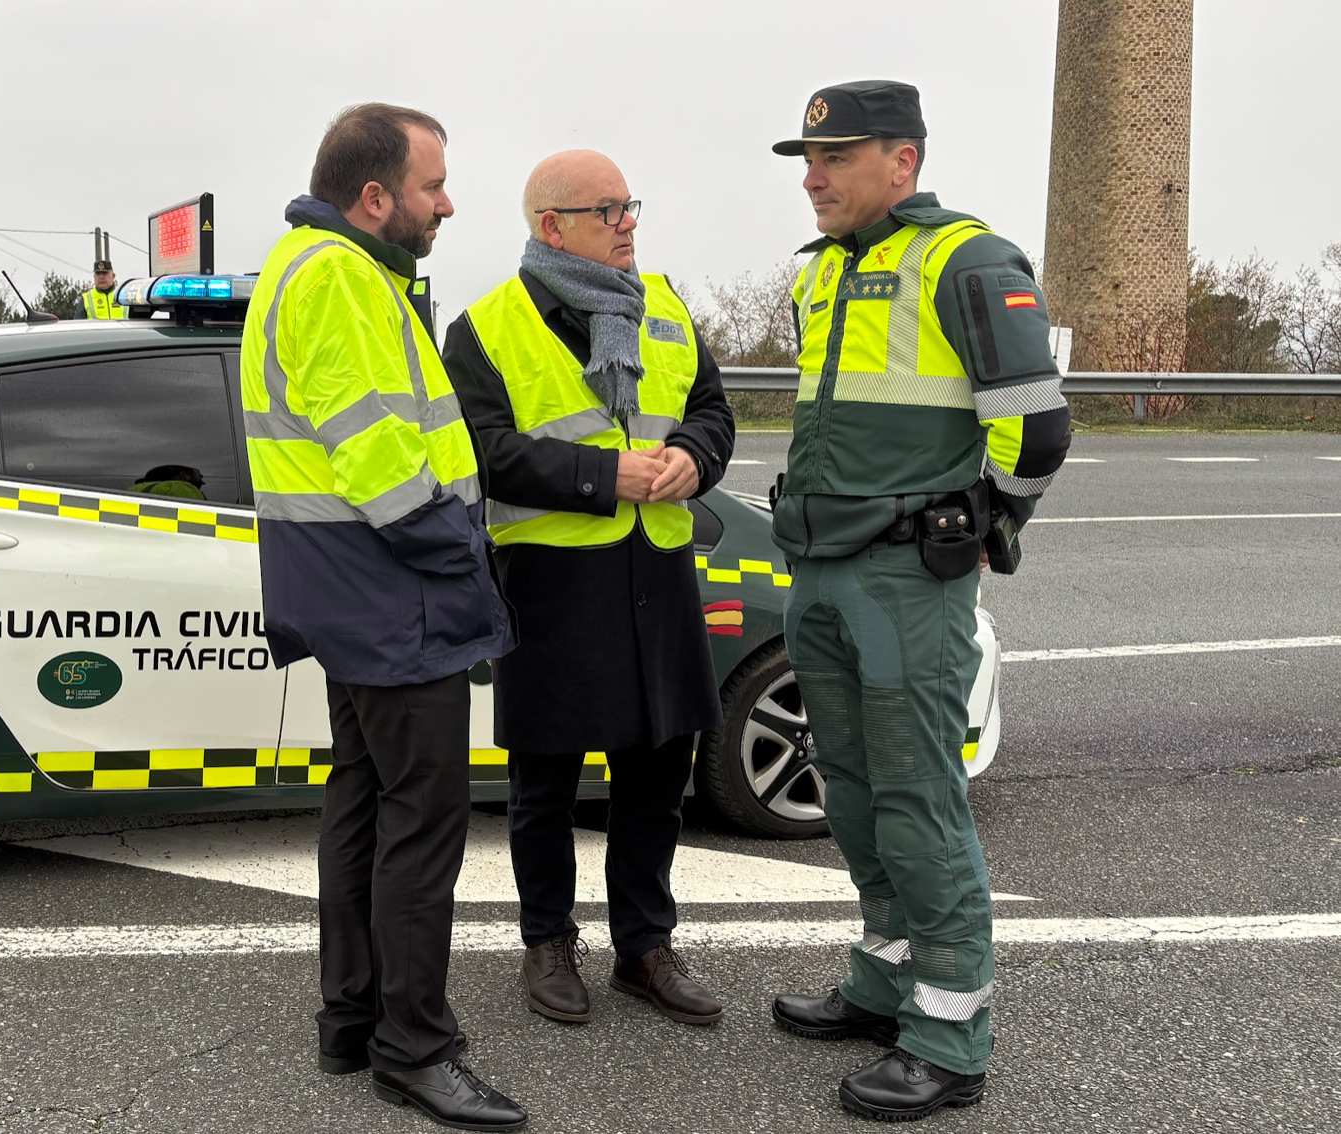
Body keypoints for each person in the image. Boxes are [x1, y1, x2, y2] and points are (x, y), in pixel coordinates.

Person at [763, 80, 1070, 1122]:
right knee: (848, 792)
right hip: (820, 566)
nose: (813, 177)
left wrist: (982, 527)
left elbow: (1033, 431)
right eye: (808, 159)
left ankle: (948, 1036)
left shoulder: (966, 259)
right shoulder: (824, 273)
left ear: (901, 160)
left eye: (836, 157)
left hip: (904, 576)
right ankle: (885, 982)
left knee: (918, 802)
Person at [240, 102, 526, 1132]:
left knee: (361, 808)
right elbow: (376, 455)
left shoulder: (305, 265)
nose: (445, 204)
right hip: (390, 589)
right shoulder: (343, 277)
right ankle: (414, 1046)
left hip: (347, 591)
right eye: (431, 186)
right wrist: (461, 567)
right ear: (374, 197)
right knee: (420, 827)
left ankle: (351, 1019)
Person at [443, 151, 734, 1031]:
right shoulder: (484, 328)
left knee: (658, 779)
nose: (629, 224)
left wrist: (693, 456)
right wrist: (604, 477)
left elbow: (712, 411)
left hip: (658, 573)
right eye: (609, 211)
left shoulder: (667, 307)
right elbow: (486, 453)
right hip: (553, 582)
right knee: (546, 787)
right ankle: (548, 943)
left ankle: (645, 949)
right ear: (551, 226)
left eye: (630, 206)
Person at [129, 464, 206, 499]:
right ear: (183, 475)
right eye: (199, 475)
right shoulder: (184, 490)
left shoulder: (133, 490)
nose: (202, 476)